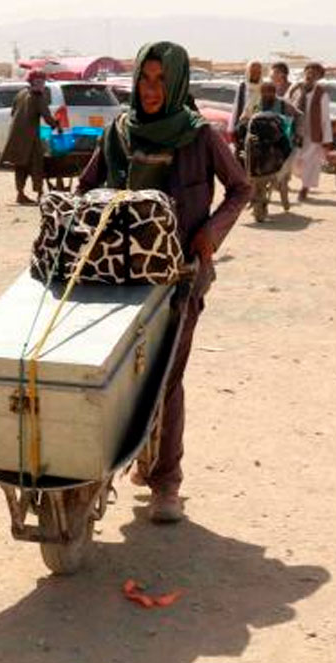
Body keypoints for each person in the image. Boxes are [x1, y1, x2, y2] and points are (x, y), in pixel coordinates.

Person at [78, 41, 250, 523]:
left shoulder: (199, 136)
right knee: (121, 374)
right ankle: (129, 456)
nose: (150, 90)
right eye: (144, 79)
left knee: (166, 376)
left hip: (180, 279)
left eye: (160, 80)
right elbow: (86, 188)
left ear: (176, 83)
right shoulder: (118, 131)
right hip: (120, 278)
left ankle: (166, 483)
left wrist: (210, 233)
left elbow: (241, 187)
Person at [238, 80, 300, 218]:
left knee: (284, 155)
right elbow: (244, 116)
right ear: (261, 92)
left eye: (270, 91)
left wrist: (294, 129)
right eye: (264, 90)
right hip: (256, 144)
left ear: (274, 92)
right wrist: (244, 121)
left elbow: (297, 115)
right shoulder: (255, 103)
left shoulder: (283, 104)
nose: (267, 93)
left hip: (277, 143)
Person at [2, 70, 62, 204]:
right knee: (36, 164)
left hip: (16, 135)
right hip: (29, 137)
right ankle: (40, 194)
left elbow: (13, 112)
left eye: (43, 82)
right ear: (33, 82)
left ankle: (20, 194)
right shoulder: (37, 96)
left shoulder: (21, 93)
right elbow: (47, 117)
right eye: (39, 82)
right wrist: (56, 125)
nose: (42, 85)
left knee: (20, 165)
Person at [287, 62, 332, 201]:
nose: (311, 74)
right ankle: (300, 179)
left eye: (315, 73)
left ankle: (305, 188)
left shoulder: (322, 94)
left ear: (319, 77)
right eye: (309, 71)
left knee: (310, 161)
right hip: (296, 130)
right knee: (293, 160)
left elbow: (325, 117)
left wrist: (327, 139)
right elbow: (286, 105)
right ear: (305, 72)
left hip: (314, 133)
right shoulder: (295, 88)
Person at [231, 60, 264, 131]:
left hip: (260, 126)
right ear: (248, 72)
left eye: (258, 71)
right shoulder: (243, 86)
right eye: (253, 71)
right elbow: (237, 107)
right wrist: (233, 127)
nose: (255, 74)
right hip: (243, 125)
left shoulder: (265, 87)